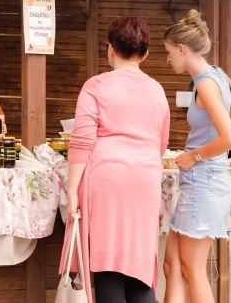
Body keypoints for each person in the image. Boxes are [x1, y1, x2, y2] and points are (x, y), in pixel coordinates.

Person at [61, 16, 171, 303]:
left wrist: (72, 191)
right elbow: (161, 144)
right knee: (139, 263)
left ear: (110, 49)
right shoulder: (157, 90)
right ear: (145, 54)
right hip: (145, 180)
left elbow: (82, 142)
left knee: (108, 264)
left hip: (107, 180)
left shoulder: (96, 86)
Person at [162, 9, 231, 303]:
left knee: (193, 270)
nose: (167, 59)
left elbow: (230, 138)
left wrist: (197, 154)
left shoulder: (206, 82)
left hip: (204, 182)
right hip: (201, 182)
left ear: (181, 49)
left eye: (168, 52)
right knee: (172, 265)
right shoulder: (218, 75)